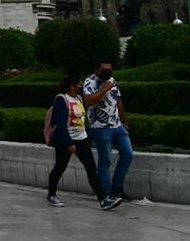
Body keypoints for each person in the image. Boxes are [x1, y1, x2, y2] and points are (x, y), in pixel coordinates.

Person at [46, 76, 122, 210]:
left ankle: (103, 199)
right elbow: (61, 124)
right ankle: (51, 194)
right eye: (79, 84)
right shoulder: (61, 100)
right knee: (60, 167)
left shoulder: (79, 99)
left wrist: (86, 137)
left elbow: (81, 120)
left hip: (81, 139)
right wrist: (69, 143)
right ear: (71, 86)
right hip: (66, 141)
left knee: (91, 169)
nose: (81, 86)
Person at [84, 61, 133, 200]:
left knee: (127, 154)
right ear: (97, 70)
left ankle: (117, 188)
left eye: (110, 69)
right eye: (104, 69)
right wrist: (104, 89)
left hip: (117, 125)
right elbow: (89, 101)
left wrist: (124, 121)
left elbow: (118, 101)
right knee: (105, 161)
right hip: (100, 127)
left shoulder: (112, 80)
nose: (108, 72)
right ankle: (105, 193)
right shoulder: (90, 82)